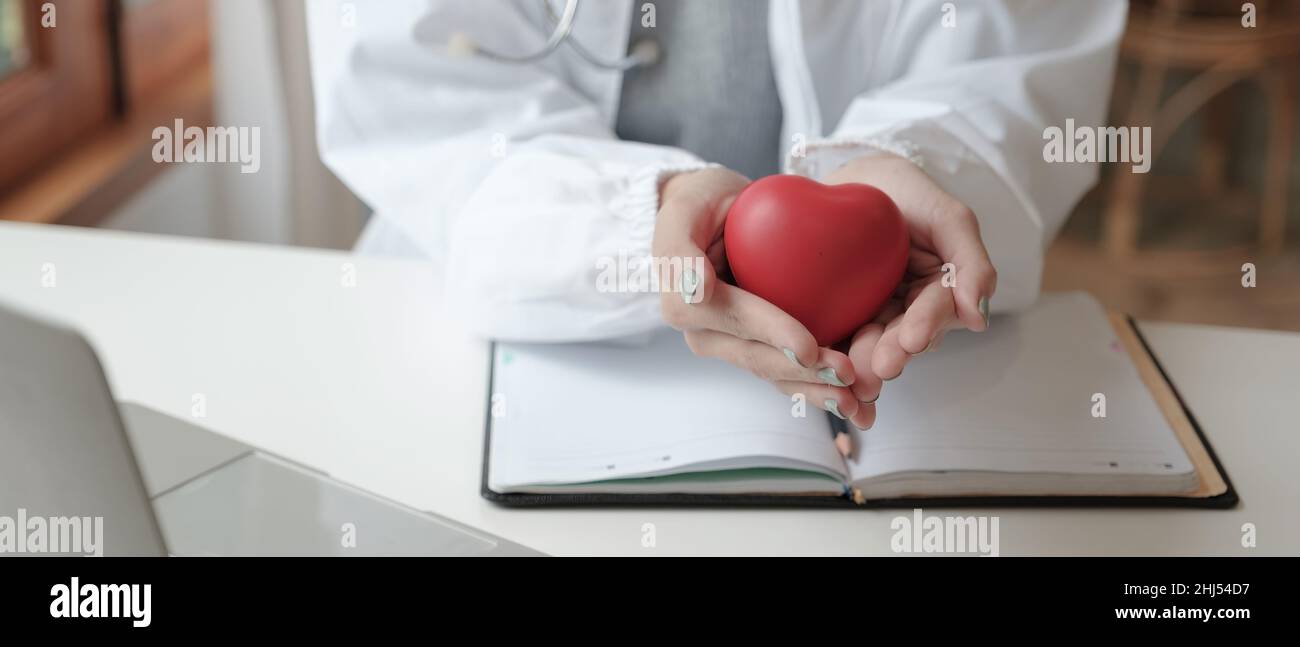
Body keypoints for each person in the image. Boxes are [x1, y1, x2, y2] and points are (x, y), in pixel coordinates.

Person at [306, 0, 1125, 431]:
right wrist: (649, 220)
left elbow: (1015, 67)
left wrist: (908, 161)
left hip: (907, 383)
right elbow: (420, 104)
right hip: (509, 336)